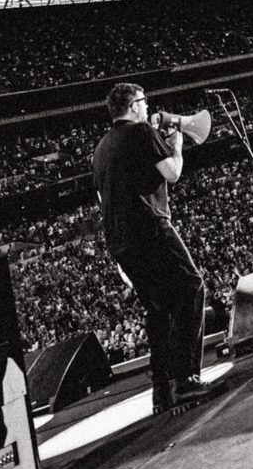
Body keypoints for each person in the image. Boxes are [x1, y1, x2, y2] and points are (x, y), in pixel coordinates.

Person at [92, 83, 219, 413]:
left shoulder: (102, 147)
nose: (148, 107)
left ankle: (162, 393)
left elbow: (104, 196)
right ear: (134, 106)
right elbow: (172, 174)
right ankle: (187, 380)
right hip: (148, 229)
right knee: (192, 288)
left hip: (120, 241)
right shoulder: (141, 132)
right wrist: (176, 145)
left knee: (158, 310)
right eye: (144, 102)